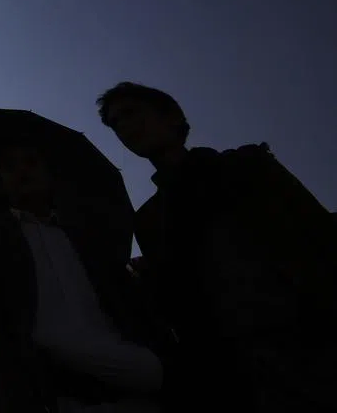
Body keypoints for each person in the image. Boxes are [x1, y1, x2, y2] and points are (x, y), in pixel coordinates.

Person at [98, 81, 337, 413]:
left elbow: (317, 233)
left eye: (131, 113)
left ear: (172, 117)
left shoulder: (247, 166)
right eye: (116, 123)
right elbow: (177, 302)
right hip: (240, 368)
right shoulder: (150, 219)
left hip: (315, 336)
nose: (124, 126)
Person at [0, 141, 167, 413]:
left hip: (123, 365)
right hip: (55, 381)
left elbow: (120, 292)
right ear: (1, 184)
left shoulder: (84, 232)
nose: (23, 171)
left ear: (49, 174)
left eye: (31, 162)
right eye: (10, 167)